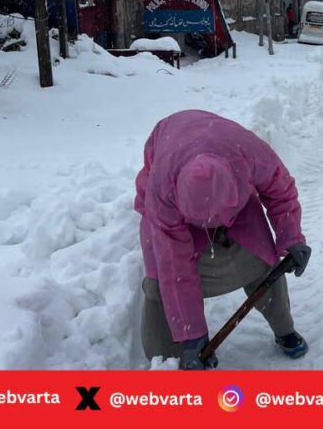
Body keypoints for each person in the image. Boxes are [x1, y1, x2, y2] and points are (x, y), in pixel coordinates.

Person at [134, 110, 313, 370]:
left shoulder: (248, 152)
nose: (211, 227)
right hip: (173, 198)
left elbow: (281, 192)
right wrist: (192, 335)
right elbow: (176, 268)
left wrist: (291, 238)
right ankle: (167, 358)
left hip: (230, 188)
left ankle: (283, 326)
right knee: (160, 279)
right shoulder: (162, 192)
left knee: (261, 255)